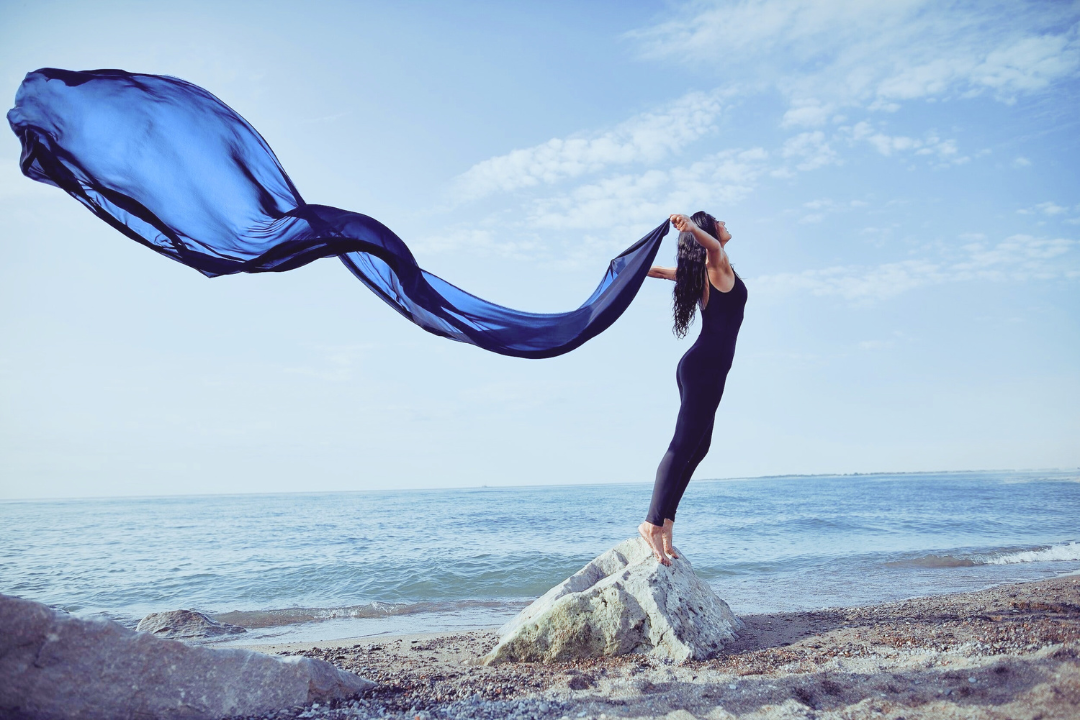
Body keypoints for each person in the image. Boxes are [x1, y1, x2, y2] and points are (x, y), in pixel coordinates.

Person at [638, 211, 747, 565]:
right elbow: (712, 245)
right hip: (702, 369)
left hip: (708, 370)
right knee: (682, 445)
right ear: (708, 230)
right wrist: (691, 227)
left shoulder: (703, 273)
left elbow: (656, 272)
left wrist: (635, 268)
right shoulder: (718, 263)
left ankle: (667, 521)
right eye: (719, 221)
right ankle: (650, 524)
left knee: (699, 447)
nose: (726, 222)